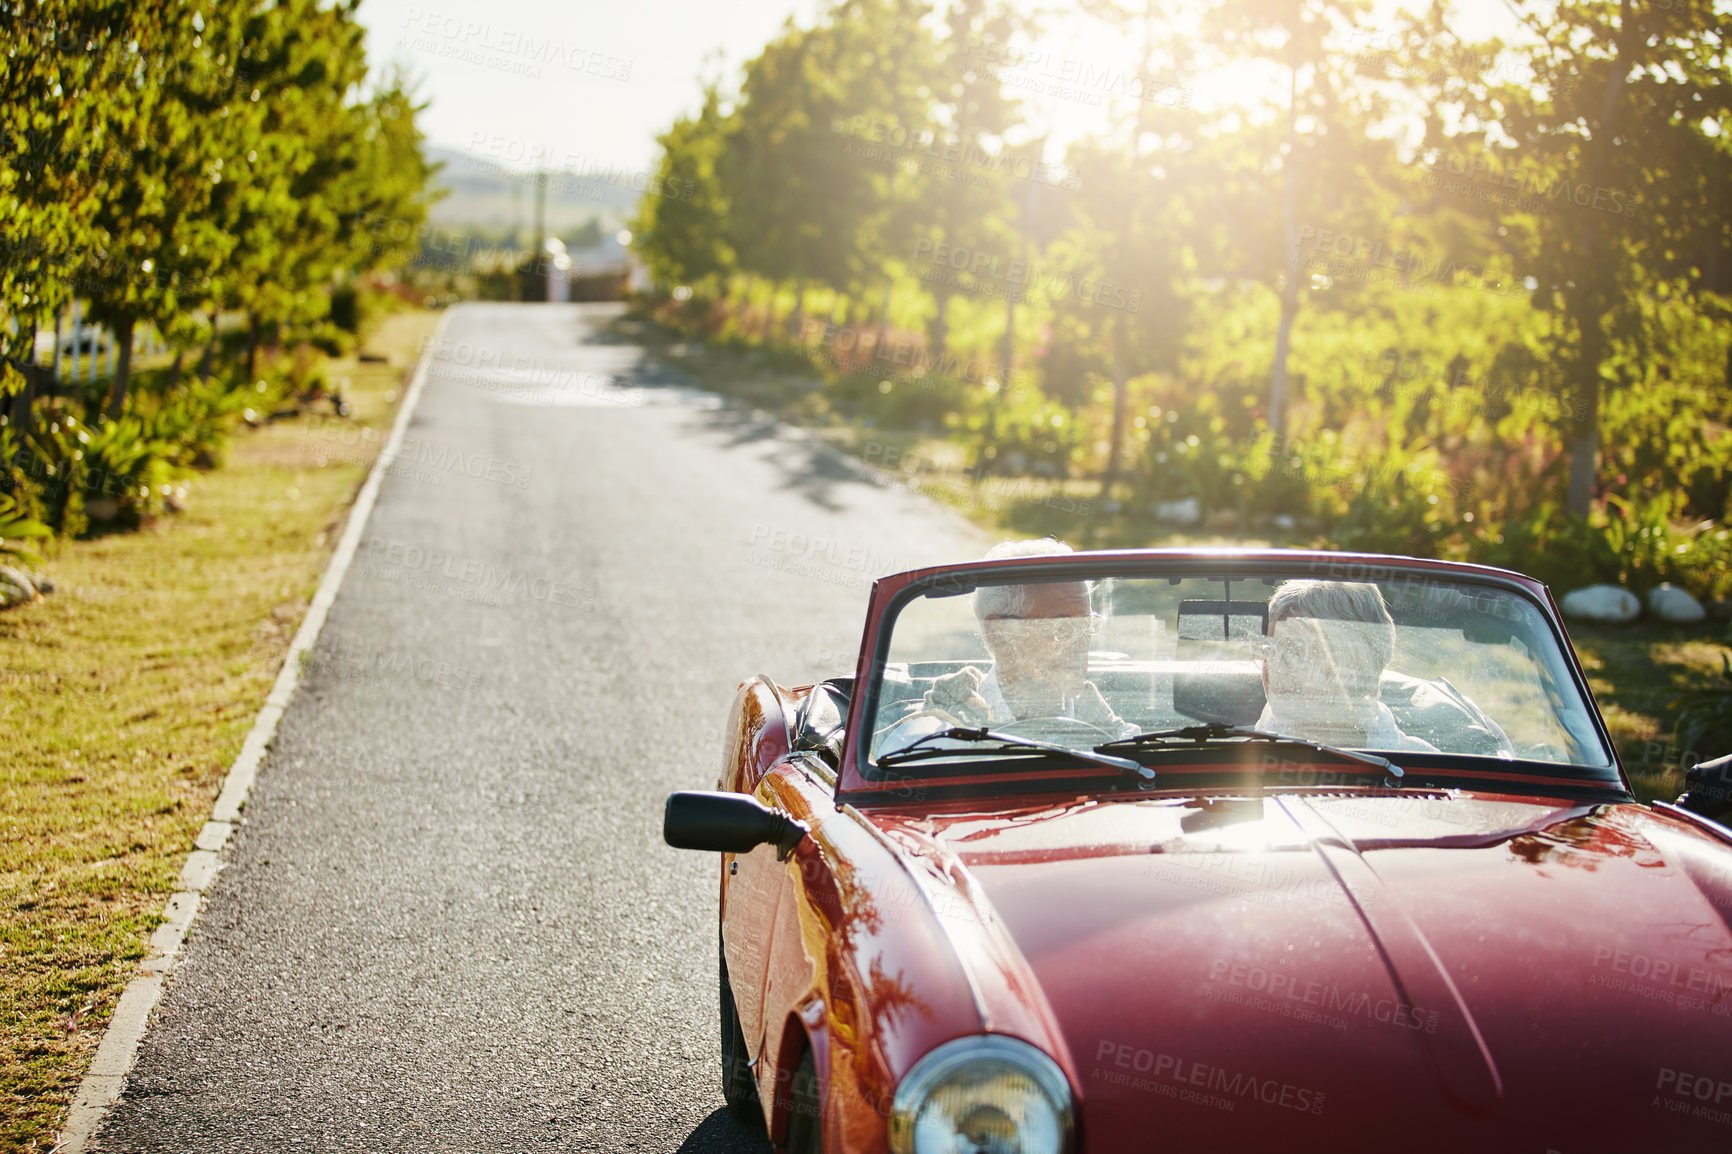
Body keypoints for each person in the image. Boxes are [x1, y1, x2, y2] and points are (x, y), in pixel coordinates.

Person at [876, 539, 1135, 752]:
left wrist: (1111, 736)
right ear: (1001, 635)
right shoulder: (937, 736)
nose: (1080, 644)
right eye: (1062, 627)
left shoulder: (1107, 725)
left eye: (1085, 625)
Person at [1253, 579, 1437, 752]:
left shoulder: (1430, 768)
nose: (1272, 666)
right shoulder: (1244, 753)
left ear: (1354, 662)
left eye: (1294, 650)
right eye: (1267, 650)